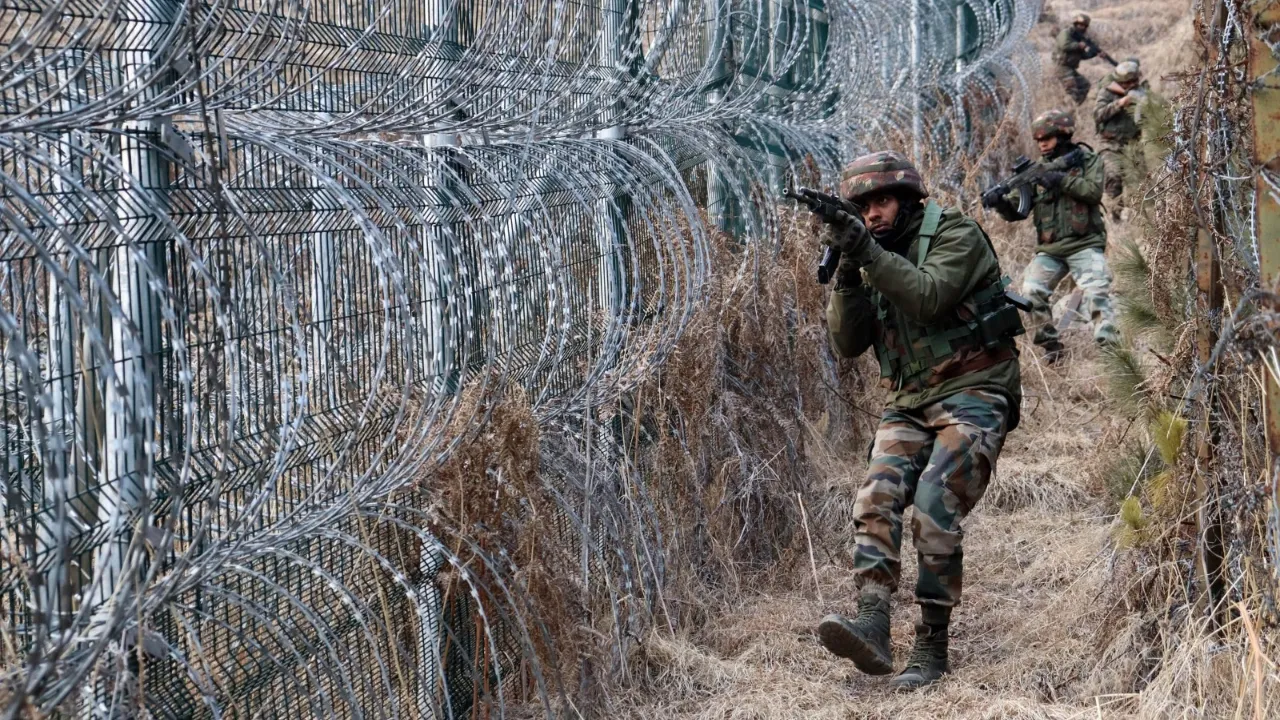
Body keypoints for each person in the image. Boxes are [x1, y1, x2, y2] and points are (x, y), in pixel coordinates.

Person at [808, 152, 1023, 691]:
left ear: (908, 199)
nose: (872, 214)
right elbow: (848, 343)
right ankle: (873, 621)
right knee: (875, 498)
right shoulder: (870, 253)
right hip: (910, 398)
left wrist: (865, 250)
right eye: (862, 208)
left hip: (976, 387)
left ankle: (932, 642)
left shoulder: (955, 234)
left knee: (934, 501)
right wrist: (849, 272)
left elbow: (927, 298)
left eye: (882, 201)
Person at [990, 110, 1119, 361]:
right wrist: (1000, 203)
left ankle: (1112, 354)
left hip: (1085, 244)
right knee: (1031, 291)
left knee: (1097, 291)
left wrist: (1059, 179)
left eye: (1047, 138)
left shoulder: (1088, 160)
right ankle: (1052, 348)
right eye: (1038, 140)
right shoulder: (1035, 171)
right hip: (1050, 251)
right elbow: (1018, 210)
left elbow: (1093, 192)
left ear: (1063, 135)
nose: (1042, 144)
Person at [1093, 61, 1146, 217]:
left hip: (1133, 144)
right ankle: (1115, 216)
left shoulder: (1141, 92)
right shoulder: (1107, 93)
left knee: (1140, 182)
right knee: (1113, 177)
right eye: (1127, 83)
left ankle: (1142, 219)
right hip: (1110, 144)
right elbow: (1098, 115)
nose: (1132, 85)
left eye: (1134, 81)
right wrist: (1119, 104)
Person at [1054, 13, 1110, 104]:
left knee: (1085, 85)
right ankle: (1067, 107)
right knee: (1071, 89)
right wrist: (1078, 45)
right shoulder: (1066, 33)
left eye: (1084, 26)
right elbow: (1064, 45)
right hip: (1062, 66)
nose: (1082, 27)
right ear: (1075, 24)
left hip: (1071, 68)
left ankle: (1075, 106)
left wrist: (1095, 54)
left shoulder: (1081, 38)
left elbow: (1083, 56)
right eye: (1080, 25)